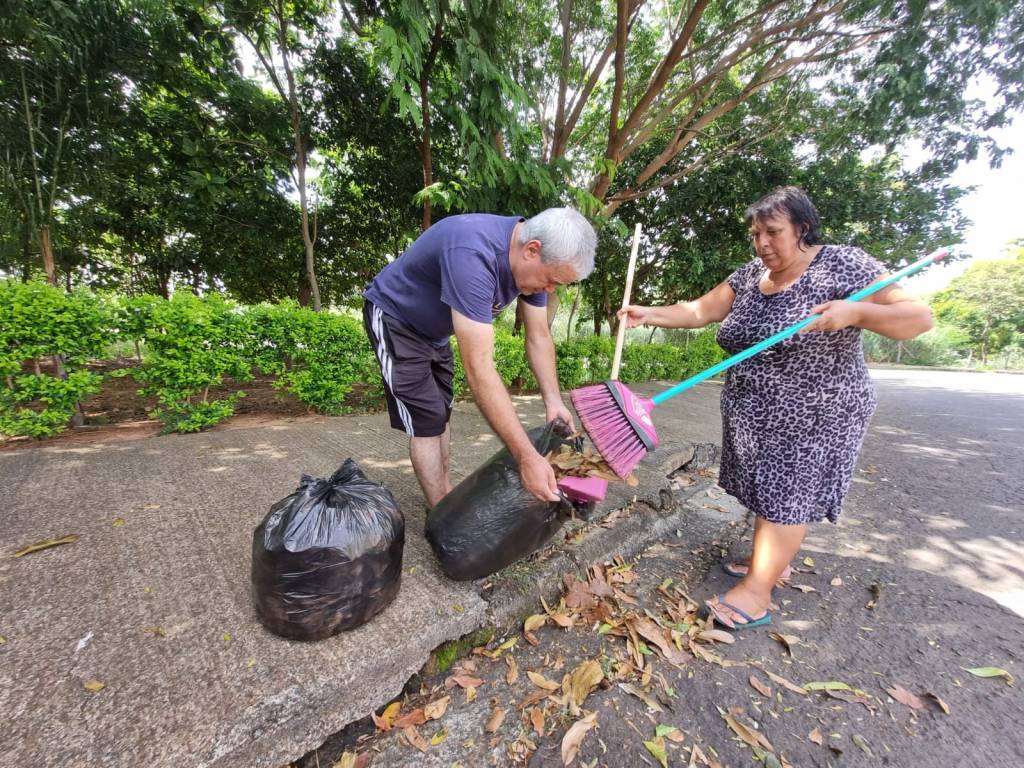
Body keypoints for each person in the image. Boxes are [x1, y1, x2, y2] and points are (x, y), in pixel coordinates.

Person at [619, 186, 933, 629]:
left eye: (773, 232)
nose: (762, 243)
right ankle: (769, 563)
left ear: (802, 229)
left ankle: (757, 593)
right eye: (756, 233)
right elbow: (699, 310)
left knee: (787, 495)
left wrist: (856, 311)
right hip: (754, 409)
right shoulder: (750, 275)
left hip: (818, 410)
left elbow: (919, 318)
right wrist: (648, 313)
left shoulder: (844, 264)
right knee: (764, 489)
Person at [362, 208, 597, 508]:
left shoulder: (535, 266)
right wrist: (526, 457)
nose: (550, 290)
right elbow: (479, 368)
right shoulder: (472, 254)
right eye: (551, 280)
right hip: (396, 317)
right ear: (531, 250)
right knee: (427, 420)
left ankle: (444, 494)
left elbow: (538, 336)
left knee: (441, 412)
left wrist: (553, 400)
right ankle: (442, 518)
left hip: (435, 332)